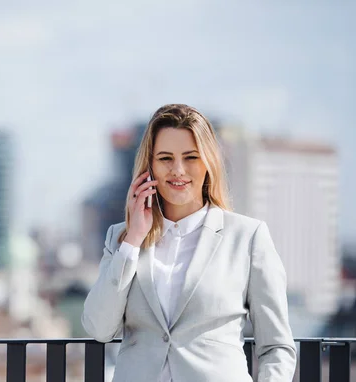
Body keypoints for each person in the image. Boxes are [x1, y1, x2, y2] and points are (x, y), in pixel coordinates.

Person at [81, 104, 297, 381]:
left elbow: (277, 347)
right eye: (165, 158)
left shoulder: (248, 237)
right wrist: (133, 240)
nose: (178, 170)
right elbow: (99, 328)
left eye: (191, 157)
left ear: (209, 163)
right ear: (150, 167)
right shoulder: (121, 237)